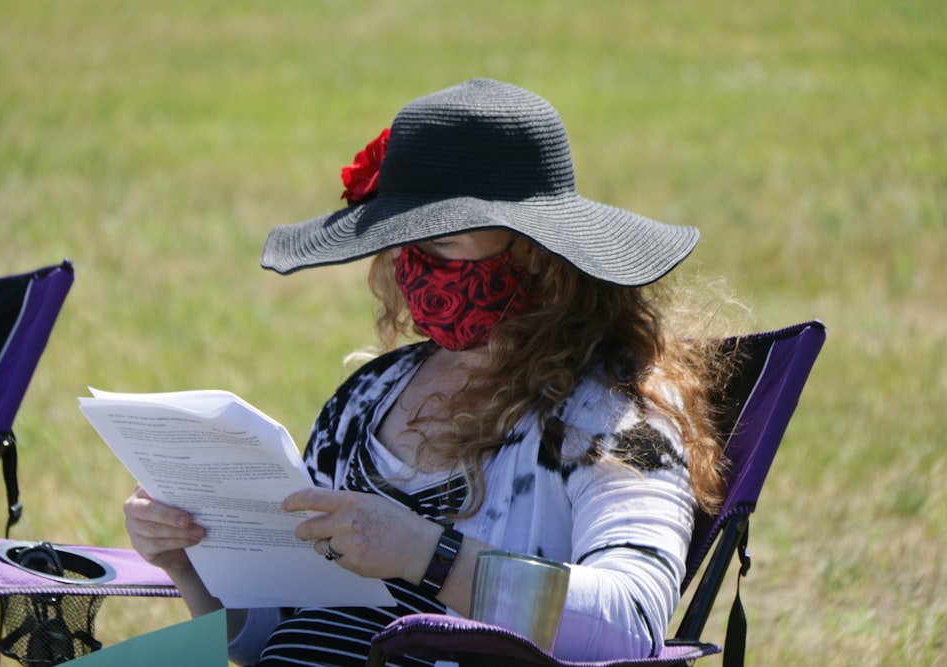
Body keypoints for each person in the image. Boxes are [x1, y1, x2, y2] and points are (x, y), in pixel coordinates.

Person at [124, 78, 731, 666]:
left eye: (444, 244)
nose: (413, 265)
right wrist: (187, 561)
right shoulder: (366, 399)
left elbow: (633, 623)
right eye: (402, 241)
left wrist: (430, 557)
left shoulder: (613, 413)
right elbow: (270, 635)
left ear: (539, 252)